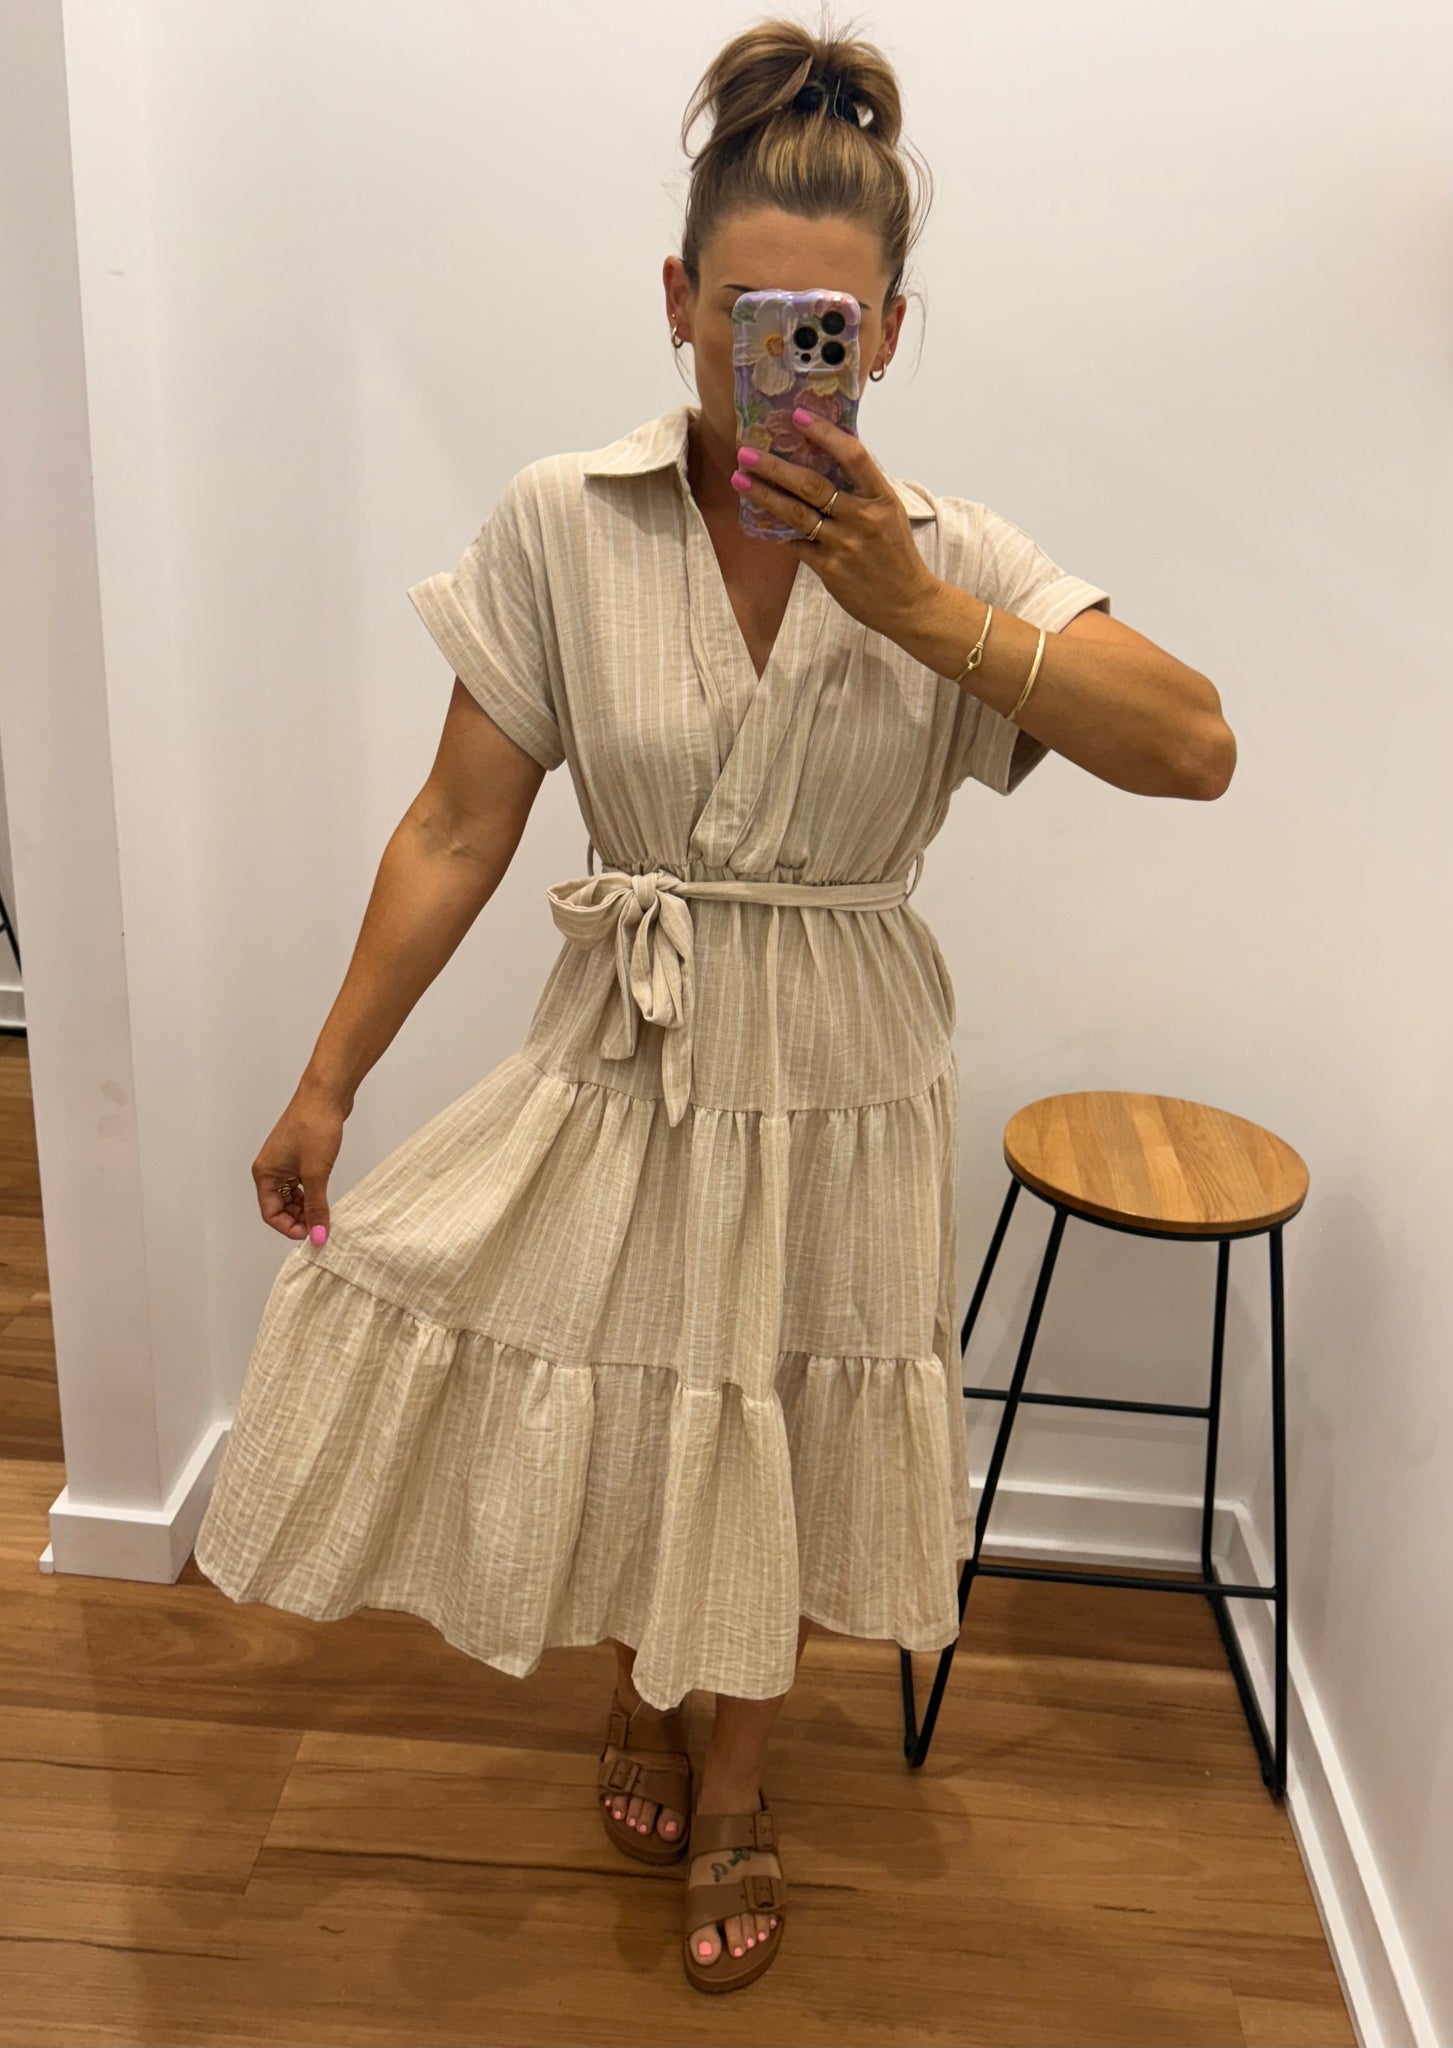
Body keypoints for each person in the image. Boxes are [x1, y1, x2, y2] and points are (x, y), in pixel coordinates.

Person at [192, 16, 1234, 1996]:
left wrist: (926, 614)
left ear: (889, 335)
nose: (785, 356)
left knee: (787, 1419)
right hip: (633, 1049)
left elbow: (1192, 748)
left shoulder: (953, 560)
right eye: (750, 315)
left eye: (826, 326)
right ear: (677, 301)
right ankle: (638, 1676)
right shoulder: (559, 522)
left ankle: (739, 1775)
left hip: (842, 1069)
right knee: (629, 1381)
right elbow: (455, 822)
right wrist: (328, 1079)